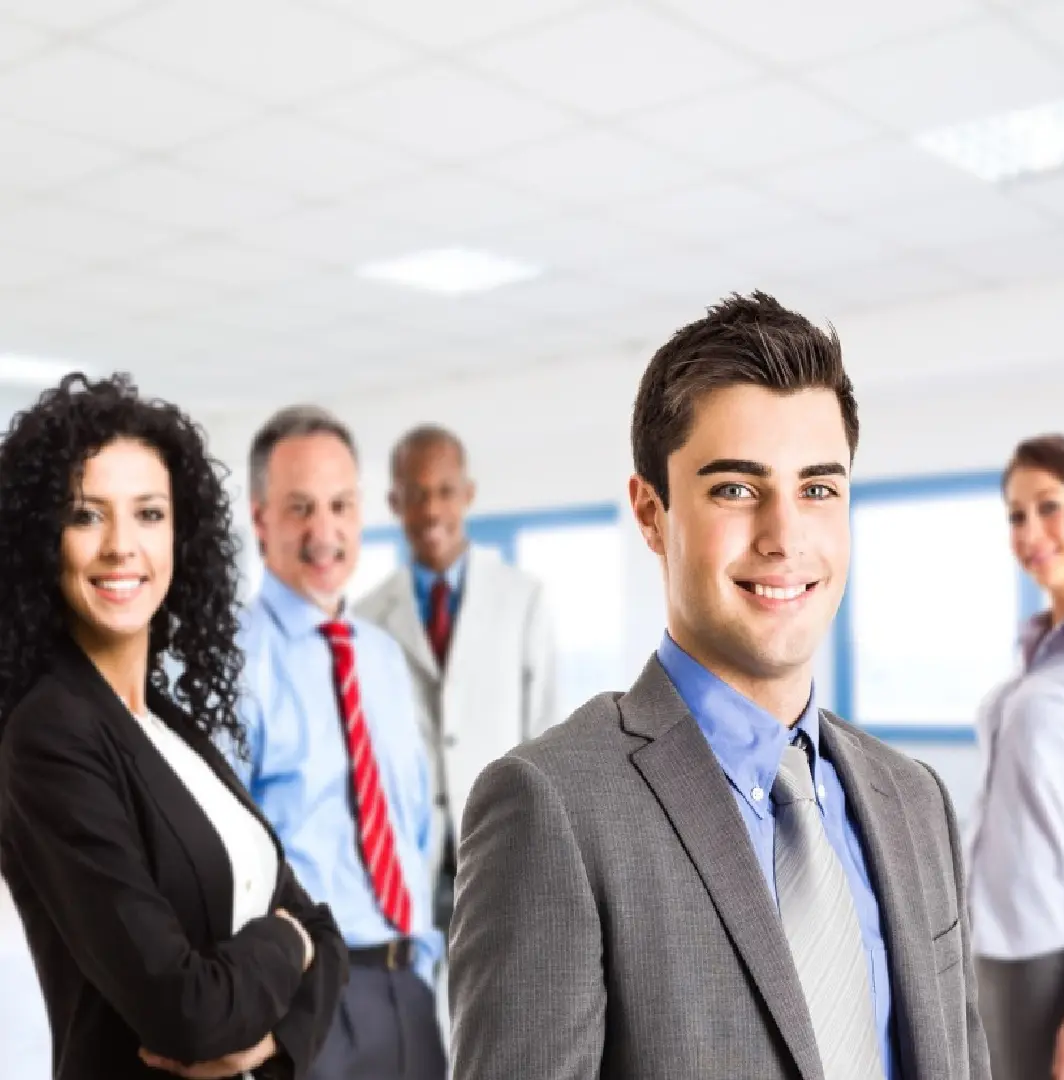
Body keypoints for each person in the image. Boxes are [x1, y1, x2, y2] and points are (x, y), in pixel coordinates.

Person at [448, 292, 990, 1080]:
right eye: (736, 489)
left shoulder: (914, 801)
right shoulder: (552, 809)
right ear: (651, 512)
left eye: (817, 489)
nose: (784, 537)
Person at [0, 373, 347, 1080]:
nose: (122, 546)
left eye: (149, 514)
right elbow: (184, 1011)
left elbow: (328, 935)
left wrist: (272, 1042)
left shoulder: (163, 722)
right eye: (86, 515)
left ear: (180, 536)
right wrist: (288, 942)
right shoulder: (49, 735)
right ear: (42, 539)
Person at [238, 406, 445, 1080]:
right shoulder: (233, 663)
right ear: (261, 517)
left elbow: (411, 823)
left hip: (408, 987)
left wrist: (422, 963)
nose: (324, 531)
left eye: (339, 505)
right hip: (306, 997)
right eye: (299, 508)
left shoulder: (381, 658)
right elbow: (217, 859)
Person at [357, 425, 558, 931]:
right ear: (394, 502)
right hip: (404, 845)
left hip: (500, 831)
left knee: (497, 991)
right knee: (415, 996)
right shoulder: (365, 617)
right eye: (415, 495)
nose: (430, 511)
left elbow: (547, 730)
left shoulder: (522, 599)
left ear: (467, 495)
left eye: (444, 492)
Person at [968, 434, 1064, 1080]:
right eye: (1016, 515)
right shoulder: (1036, 653)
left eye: (1049, 507)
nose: (1030, 531)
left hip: (1057, 959)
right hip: (988, 944)